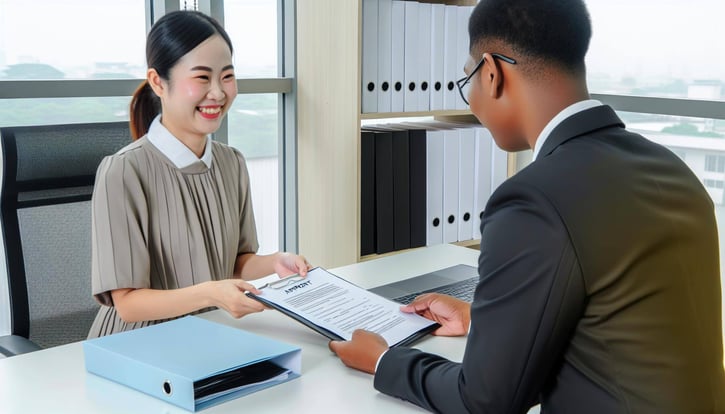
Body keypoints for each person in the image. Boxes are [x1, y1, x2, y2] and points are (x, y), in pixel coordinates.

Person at [329, 0, 725, 412]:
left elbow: (485, 401)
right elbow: (621, 327)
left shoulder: (534, 198)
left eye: (469, 82)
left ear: (491, 73)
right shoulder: (672, 170)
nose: (471, 102)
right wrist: (482, 318)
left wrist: (383, 360)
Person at [87, 10, 310, 338]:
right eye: (202, 78)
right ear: (157, 82)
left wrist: (277, 262)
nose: (218, 93)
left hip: (208, 333)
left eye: (227, 76)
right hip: (136, 344)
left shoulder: (232, 162)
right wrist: (211, 294)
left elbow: (234, 262)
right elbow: (128, 304)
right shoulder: (123, 171)